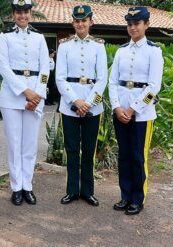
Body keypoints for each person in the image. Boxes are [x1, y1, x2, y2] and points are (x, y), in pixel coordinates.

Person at [109, 6, 163, 215]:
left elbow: (153, 88)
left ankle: (137, 199)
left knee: (137, 157)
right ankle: (125, 196)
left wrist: (132, 109)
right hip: (120, 111)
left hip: (142, 115)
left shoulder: (154, 51)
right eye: (129, 24)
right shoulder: (122, 50)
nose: (132, 28)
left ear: (146, 24)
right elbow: (113, 83)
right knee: (124, 156)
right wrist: (116, 107)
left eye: (137, 24)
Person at [0, 0, 49, 206]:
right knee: (14, 144)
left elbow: (45, 69)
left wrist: (36, 94)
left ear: (30, 14)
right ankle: (16, 187)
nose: (22, 16)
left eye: (25, 12)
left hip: (35, 97)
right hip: (12, 97)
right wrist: (25, 91)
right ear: (13, 14)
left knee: (29, 145)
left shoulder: (39, 37)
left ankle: (28, 185)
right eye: (18, 12)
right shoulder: (5, 37)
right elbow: (4, 68)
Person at [56, 5, 107, 207]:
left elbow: (102, 79)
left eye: (84, 20)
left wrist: (88, 103)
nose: (80, 23)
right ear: (73, 23)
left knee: (88, 150)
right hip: (69, 106)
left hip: (92, 107)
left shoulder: (99, 46)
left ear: (90, 22)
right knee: (71, 150)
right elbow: (60, 78)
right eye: (77, 20)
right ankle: (71, 191)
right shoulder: (65, 46)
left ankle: (87, 191)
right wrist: (75, 101)